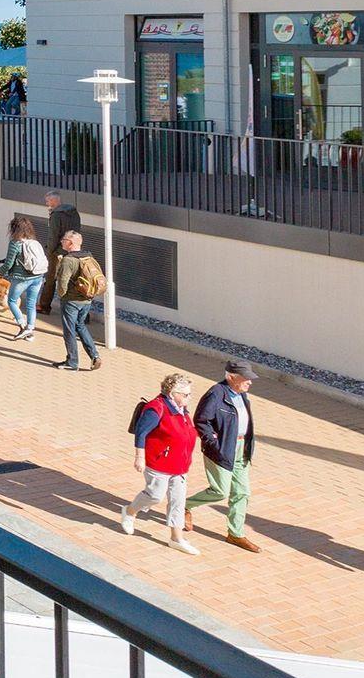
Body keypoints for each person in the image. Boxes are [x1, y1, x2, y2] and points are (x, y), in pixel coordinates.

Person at [123, 372, 201, 555]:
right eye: (186, 394)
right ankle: (130, 511)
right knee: (155, 496)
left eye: (190, 394)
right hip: (159, 463)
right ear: (173, 393)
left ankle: (176, 538)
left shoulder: (181, 409)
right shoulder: (156, 408)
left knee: (178, 501)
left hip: (179, 465)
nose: (189, 398)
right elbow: (141, 432)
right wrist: (139, 457)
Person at [186, 361, 260, 551]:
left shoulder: (242, 394)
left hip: (241, 448)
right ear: (231, 377)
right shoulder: (216, 393)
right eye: (246, 378)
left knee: (242, 492)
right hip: (222, 449)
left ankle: (236, 534)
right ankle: (184, 506)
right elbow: (201, 420)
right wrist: (213, 442)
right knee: (220, 491)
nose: (250, 382)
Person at [52, 229, 105, 371]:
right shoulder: (89, 257)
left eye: (64, 240)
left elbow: (62, 283)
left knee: (69, 330)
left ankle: (72, 362)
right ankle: (94, 355)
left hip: (71, 300)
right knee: (80, 325)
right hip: (86, 299)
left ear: (70, 243)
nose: (61, 242)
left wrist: (62, 296)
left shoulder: (68, 260)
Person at [0, 214, 49, 339]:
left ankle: (22, 326)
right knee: (31, 304)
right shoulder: (35, 242)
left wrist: (0, 273)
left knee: (12, 301)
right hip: (38, 276)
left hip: (21, 278)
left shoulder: (15, 243)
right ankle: (30, 330)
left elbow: (9, 263)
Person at [39, 191, 82, 317]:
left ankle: (44, 306)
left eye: (47, 201)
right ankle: (80, 311)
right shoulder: (74, 212)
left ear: (54, 201)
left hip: (58, 251)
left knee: (51, 279)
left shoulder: (56, 215)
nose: (46, 203)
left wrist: (50, 252)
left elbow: (53, 236)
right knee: (73, 279)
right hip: (73, 249)